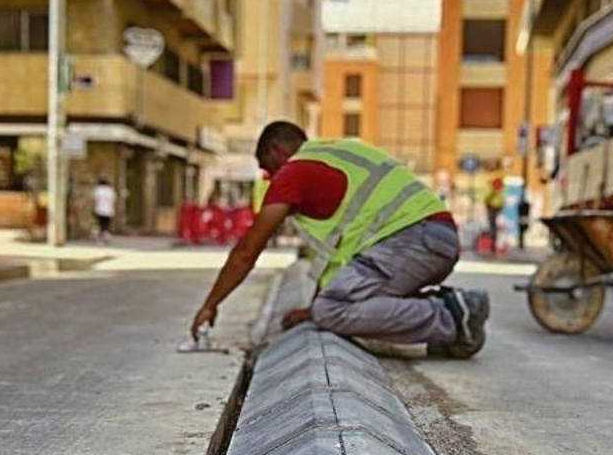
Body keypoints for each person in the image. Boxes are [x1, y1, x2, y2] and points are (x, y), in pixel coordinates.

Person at [189, 122, 489, 358]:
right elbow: (340, 257)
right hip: (434, 239)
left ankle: (450, 316)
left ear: (278, 150)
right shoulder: (336, 152)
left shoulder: (293, 172)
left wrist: (211, 305)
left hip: (412, 241)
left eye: (267, 168)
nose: (269, 178)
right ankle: (449, 314)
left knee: (331, 312)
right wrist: (312, 306)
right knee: (330, 306)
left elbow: (248, 249)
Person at [93, 177, 116, 244]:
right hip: (109, 210)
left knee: (99, 224)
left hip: (99, 209)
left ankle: (99, 238)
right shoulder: (110, 190)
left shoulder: (98, 190)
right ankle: (106, 236)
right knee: (106, 225)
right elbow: (113, 200)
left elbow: (95, 199)